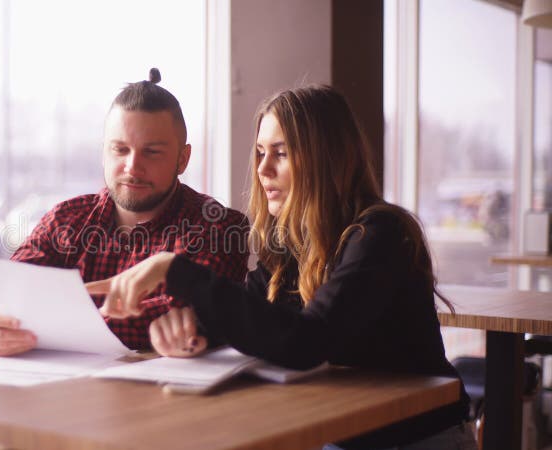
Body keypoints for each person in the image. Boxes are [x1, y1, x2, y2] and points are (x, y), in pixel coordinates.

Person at [86, 85, 476, 450]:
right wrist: (192, 332)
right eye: (260, 152)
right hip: (343, 434)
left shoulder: (380, 234)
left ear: (326, 158)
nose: (263, 169)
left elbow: (306, 342)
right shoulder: (292, 244)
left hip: (420, 439)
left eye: (281, 153)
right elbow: (257, 313)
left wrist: (176, 269)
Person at [0, 68, 249, 356]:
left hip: (159, 398)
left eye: (151, 152)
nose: (132, 167)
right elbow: (3, 290)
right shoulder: (66, 219)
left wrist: (38, 317)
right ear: (104, 153)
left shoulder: (220, 227)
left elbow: (182, 314)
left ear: (183, 159)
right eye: (120, 150)